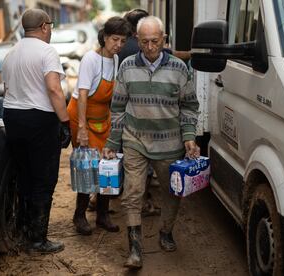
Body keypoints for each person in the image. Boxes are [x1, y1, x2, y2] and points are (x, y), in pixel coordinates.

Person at [103, 16, 200, 269]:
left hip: (170, 144)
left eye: (155, 41)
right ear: (137, 40)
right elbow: (118, 107)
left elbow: (189, 106)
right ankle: (135, 249)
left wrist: (189, 137)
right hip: (135, 140)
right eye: (144, 41)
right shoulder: (126, 66)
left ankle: (165, 231)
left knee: (171, 193)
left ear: (164, 39)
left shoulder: (179, 68)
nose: (149, 47)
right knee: (132, 193)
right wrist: (113, 142)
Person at [2, 8, 70, 254]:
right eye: (50, 25)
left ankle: (22, 230)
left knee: (24, 176)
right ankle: (38, 240)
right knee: (44, 178)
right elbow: (54, 89)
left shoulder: (10, 53)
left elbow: (6, 89)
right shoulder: (47, 51)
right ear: (43, 26)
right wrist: (64, 122)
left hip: (13, 117)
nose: (50, 30)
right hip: (39, 119)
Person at [67, 16, 132, 236]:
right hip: (82, 116)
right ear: (104, 37)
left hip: (102, 119)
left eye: (123, 41)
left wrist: (115, 124)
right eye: (115, 39)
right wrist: (83, 129)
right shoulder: (90, 59)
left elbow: (111, 98)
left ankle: (103, 214)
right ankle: (79, 215)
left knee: (109, 164)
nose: (119, 45)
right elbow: (83, 95)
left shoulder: (115, 60)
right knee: (88, 167)